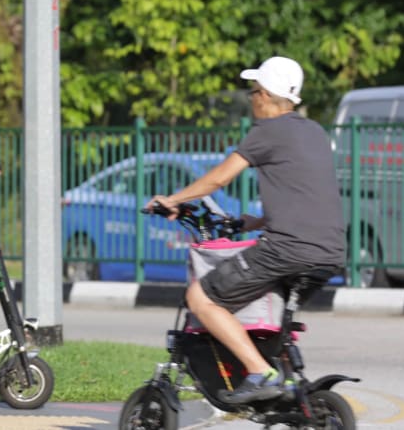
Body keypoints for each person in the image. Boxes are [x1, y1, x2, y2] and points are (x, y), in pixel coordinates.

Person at [146, 56, 346, 404]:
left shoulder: (266, 131)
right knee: (259, 307)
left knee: (202, 298)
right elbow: (306, 196)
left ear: (266, 95)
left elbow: (219, 177)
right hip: (329, 252)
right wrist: (252, 223)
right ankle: (278, 383)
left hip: (287, 249)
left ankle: (259, 372)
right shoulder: (314, 131)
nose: (251, 98)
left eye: (253, 91)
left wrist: (173, 200)